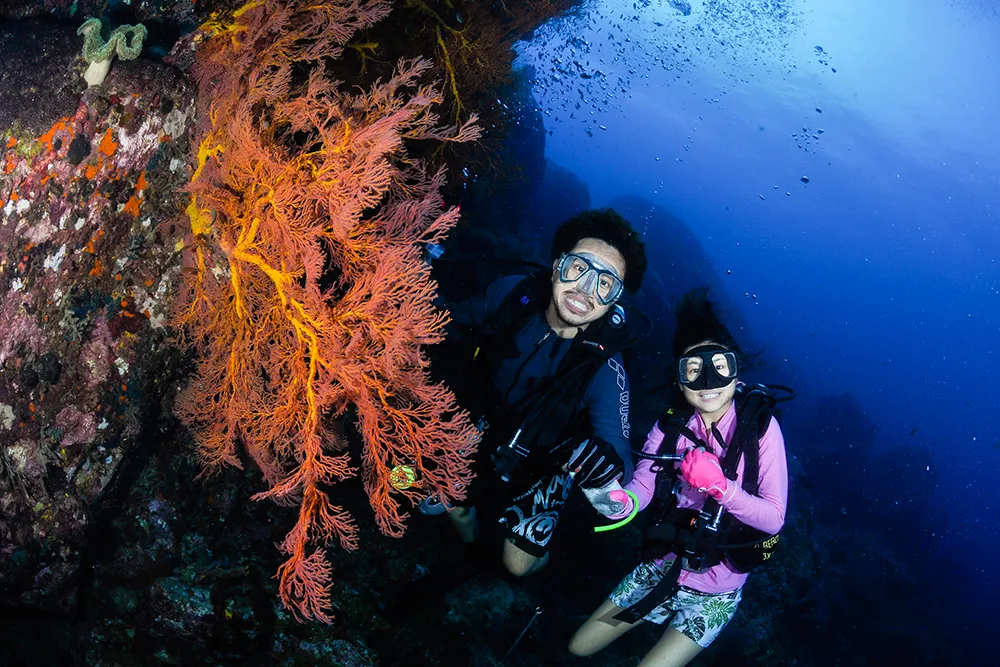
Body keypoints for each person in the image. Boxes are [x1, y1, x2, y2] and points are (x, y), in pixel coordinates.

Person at [568, 288, 789, 667]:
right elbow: (639, 490)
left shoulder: (761, 430)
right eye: (693, 369)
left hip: (717, 590)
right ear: (679, 378)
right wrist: (610, 497)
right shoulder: (669, 427)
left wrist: (720, 487)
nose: (708, 381)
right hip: (659, 567)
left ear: (737, 372)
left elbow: (773, 519)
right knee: (578, 647)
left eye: (720, 366)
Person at [425, 209, 648, 577]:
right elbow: (450, 319)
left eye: (606, 283)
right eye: (579, 268)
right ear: (558, 263)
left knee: (517, 566)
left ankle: (539, 559)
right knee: (429, 495)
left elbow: (620, 462)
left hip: (548, 461)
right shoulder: (514, 294)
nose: (586, 290)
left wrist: (603, 465)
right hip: (478, 420)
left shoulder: (606, 369)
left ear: (615, 300)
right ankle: (471, 549)